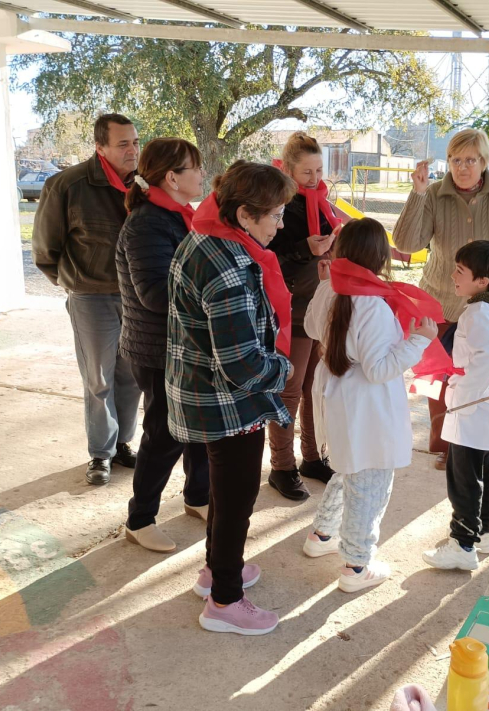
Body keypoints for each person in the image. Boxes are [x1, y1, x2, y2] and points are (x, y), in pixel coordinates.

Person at [166, 160, 296, 635]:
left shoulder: (203, 237)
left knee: (225, 492)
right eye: (276, 214)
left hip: (202, 391)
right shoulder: (231, 267)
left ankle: (217, 570)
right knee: (237, 497)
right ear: (244, 215)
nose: (281, 224)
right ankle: (224, 599)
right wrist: (283, 367)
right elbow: (243, 366)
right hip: (226, 402)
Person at [393, 128, 489, 471]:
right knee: (440, 378)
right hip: (440, 302)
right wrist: (417, 195)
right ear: (448, 162)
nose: (463, 167)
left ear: (485, 162)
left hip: (486, 306)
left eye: (471, 160)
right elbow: (406, 243)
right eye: (456, 160)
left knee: (482, 375)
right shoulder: (433, 193)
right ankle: (446, 449)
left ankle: (477, 445)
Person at [302, 218, 437, 592]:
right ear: (380, 257)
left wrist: (322, 282)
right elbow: (379, 369)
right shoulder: (373, 305)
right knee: (372, 483)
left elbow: (313, 329)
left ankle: (322, 536)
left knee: (349, 468)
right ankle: (356, 566)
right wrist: (419, 340)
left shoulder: (330, 288)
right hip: (367, 405)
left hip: (337, 396)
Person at [33, 113, 143, 485]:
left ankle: (123, 443)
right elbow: (46, 249)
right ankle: (100, 453)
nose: (132, 150)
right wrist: (75, 285)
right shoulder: (67, 185)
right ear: (100, 147)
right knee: (98, 378)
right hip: (91, 298)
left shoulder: (143, 185)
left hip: (135, 298)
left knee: (130, 376)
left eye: (135, 142)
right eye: (122, 144)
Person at [117, 138, 211, 553]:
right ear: (172, 178)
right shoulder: (147, 223)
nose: (202, 175)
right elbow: (154, 293)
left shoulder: (179, 216)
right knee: (164, 433)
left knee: (199, 429)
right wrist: (212, 293)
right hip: (157, 349)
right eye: (195, 169)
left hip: (183, 344)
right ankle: (141, 518)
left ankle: (198, 497)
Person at [422, 241, 489, 571]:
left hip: (475, 401)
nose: (453, 275)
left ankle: (461, 544)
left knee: (463, 476)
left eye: (460, 271)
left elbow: (487, 357)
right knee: (485, 469)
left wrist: (463, 399)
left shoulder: (477, 313)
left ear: (482, 281)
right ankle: (481, 534)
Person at [266, 132, 340, 501]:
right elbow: (266, 256)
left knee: (315, 387)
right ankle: (282, 466)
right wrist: (303, 249)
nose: (313, 178)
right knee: (289, 390)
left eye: (318, 170)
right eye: (306, 171)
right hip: (291, 308)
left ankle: (312, 456)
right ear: (288, 169)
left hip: (318, 306)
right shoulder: (278, 202)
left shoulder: (323, 203)